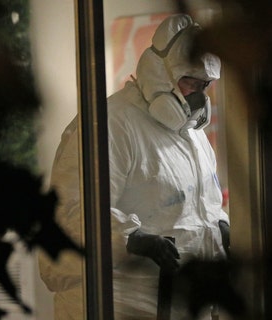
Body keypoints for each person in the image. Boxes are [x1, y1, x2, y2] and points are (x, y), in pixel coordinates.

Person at [38, 13, 230, 319]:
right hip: (118, 306)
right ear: (159, 73)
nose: (197, 98)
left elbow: (198, 209)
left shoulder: (193, 137)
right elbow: (68, 216)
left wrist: (220, 225)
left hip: (176, 306)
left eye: (203, 86)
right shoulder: (109, 125)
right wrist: (132, 239)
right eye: (188, 83)